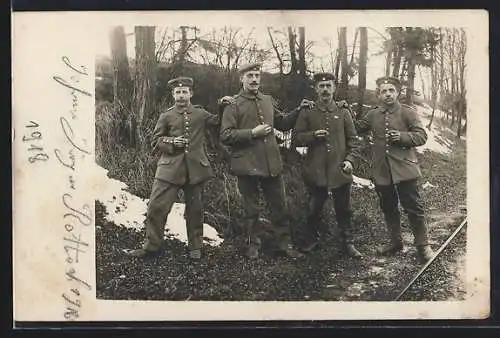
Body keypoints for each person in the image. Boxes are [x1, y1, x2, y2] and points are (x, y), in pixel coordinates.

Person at [124, 76, 233, 260]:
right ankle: (152, 246)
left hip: (195, 170)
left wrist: (223, 106)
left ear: (191, 93)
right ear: (173, 95)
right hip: (169, 169)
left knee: (195, 210)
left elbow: (218, 122)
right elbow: (154, 141)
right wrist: (172, 142)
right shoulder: (166, 116)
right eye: (177, 92)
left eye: (184, 92)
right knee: (156, 207)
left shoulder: (200, 114)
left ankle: (195, 247)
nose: (181, 96)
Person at [220, 63, 313, 259]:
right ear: (241, 79)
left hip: (271, 162)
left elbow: (283, 122)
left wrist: (299, 110)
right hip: (247, 163)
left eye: (257, 75)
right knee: (251, 208)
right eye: (250, 76)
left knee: (279, 205)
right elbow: (226, 135)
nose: (254, 79)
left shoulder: (267, 100)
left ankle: (285, 244)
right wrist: (252, 133)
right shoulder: (233, 104)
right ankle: (252, 245)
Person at [356, 76, 434, 264]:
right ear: (379, 95)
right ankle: (395, 242)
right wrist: (342, 111)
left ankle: (423, 245)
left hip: (405, 167)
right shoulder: (373, 114)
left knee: (414, 207)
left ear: (397, 92)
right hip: (382, 170)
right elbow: (358, 128)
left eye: (391, 90)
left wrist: (402, 136)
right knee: (388, 207)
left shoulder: (407, 112)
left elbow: (422, 136)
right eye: (384, 91)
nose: (388, 94)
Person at [294, 72, 363, 258]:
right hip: (315, 171)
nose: (325, 90)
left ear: (334, 88)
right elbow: (296, 138)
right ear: (316, 89)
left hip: (339, 170)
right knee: (313, 208)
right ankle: (311, 240)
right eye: (321, 86)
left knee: (344, 208)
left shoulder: (343, 111)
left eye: (328, 86)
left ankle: (347, 242)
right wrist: (312, 136)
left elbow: (354, 141)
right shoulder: (307, 111)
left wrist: (350, 161)